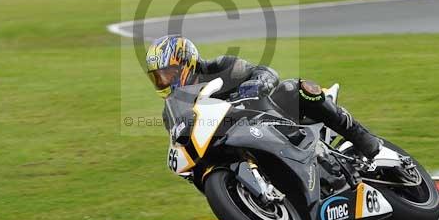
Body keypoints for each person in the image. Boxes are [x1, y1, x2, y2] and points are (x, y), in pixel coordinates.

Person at [145, 35, 382, 159]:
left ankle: (362, 138)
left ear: (186, 62)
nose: (164, 82)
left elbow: (266, 72)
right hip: (234, 142)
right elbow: (182, 145)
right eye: (159, 78)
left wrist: (255, 84)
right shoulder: (171, 112)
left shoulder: (221, 66)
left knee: (296, 88)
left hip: (276, 119)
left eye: (168, 73)